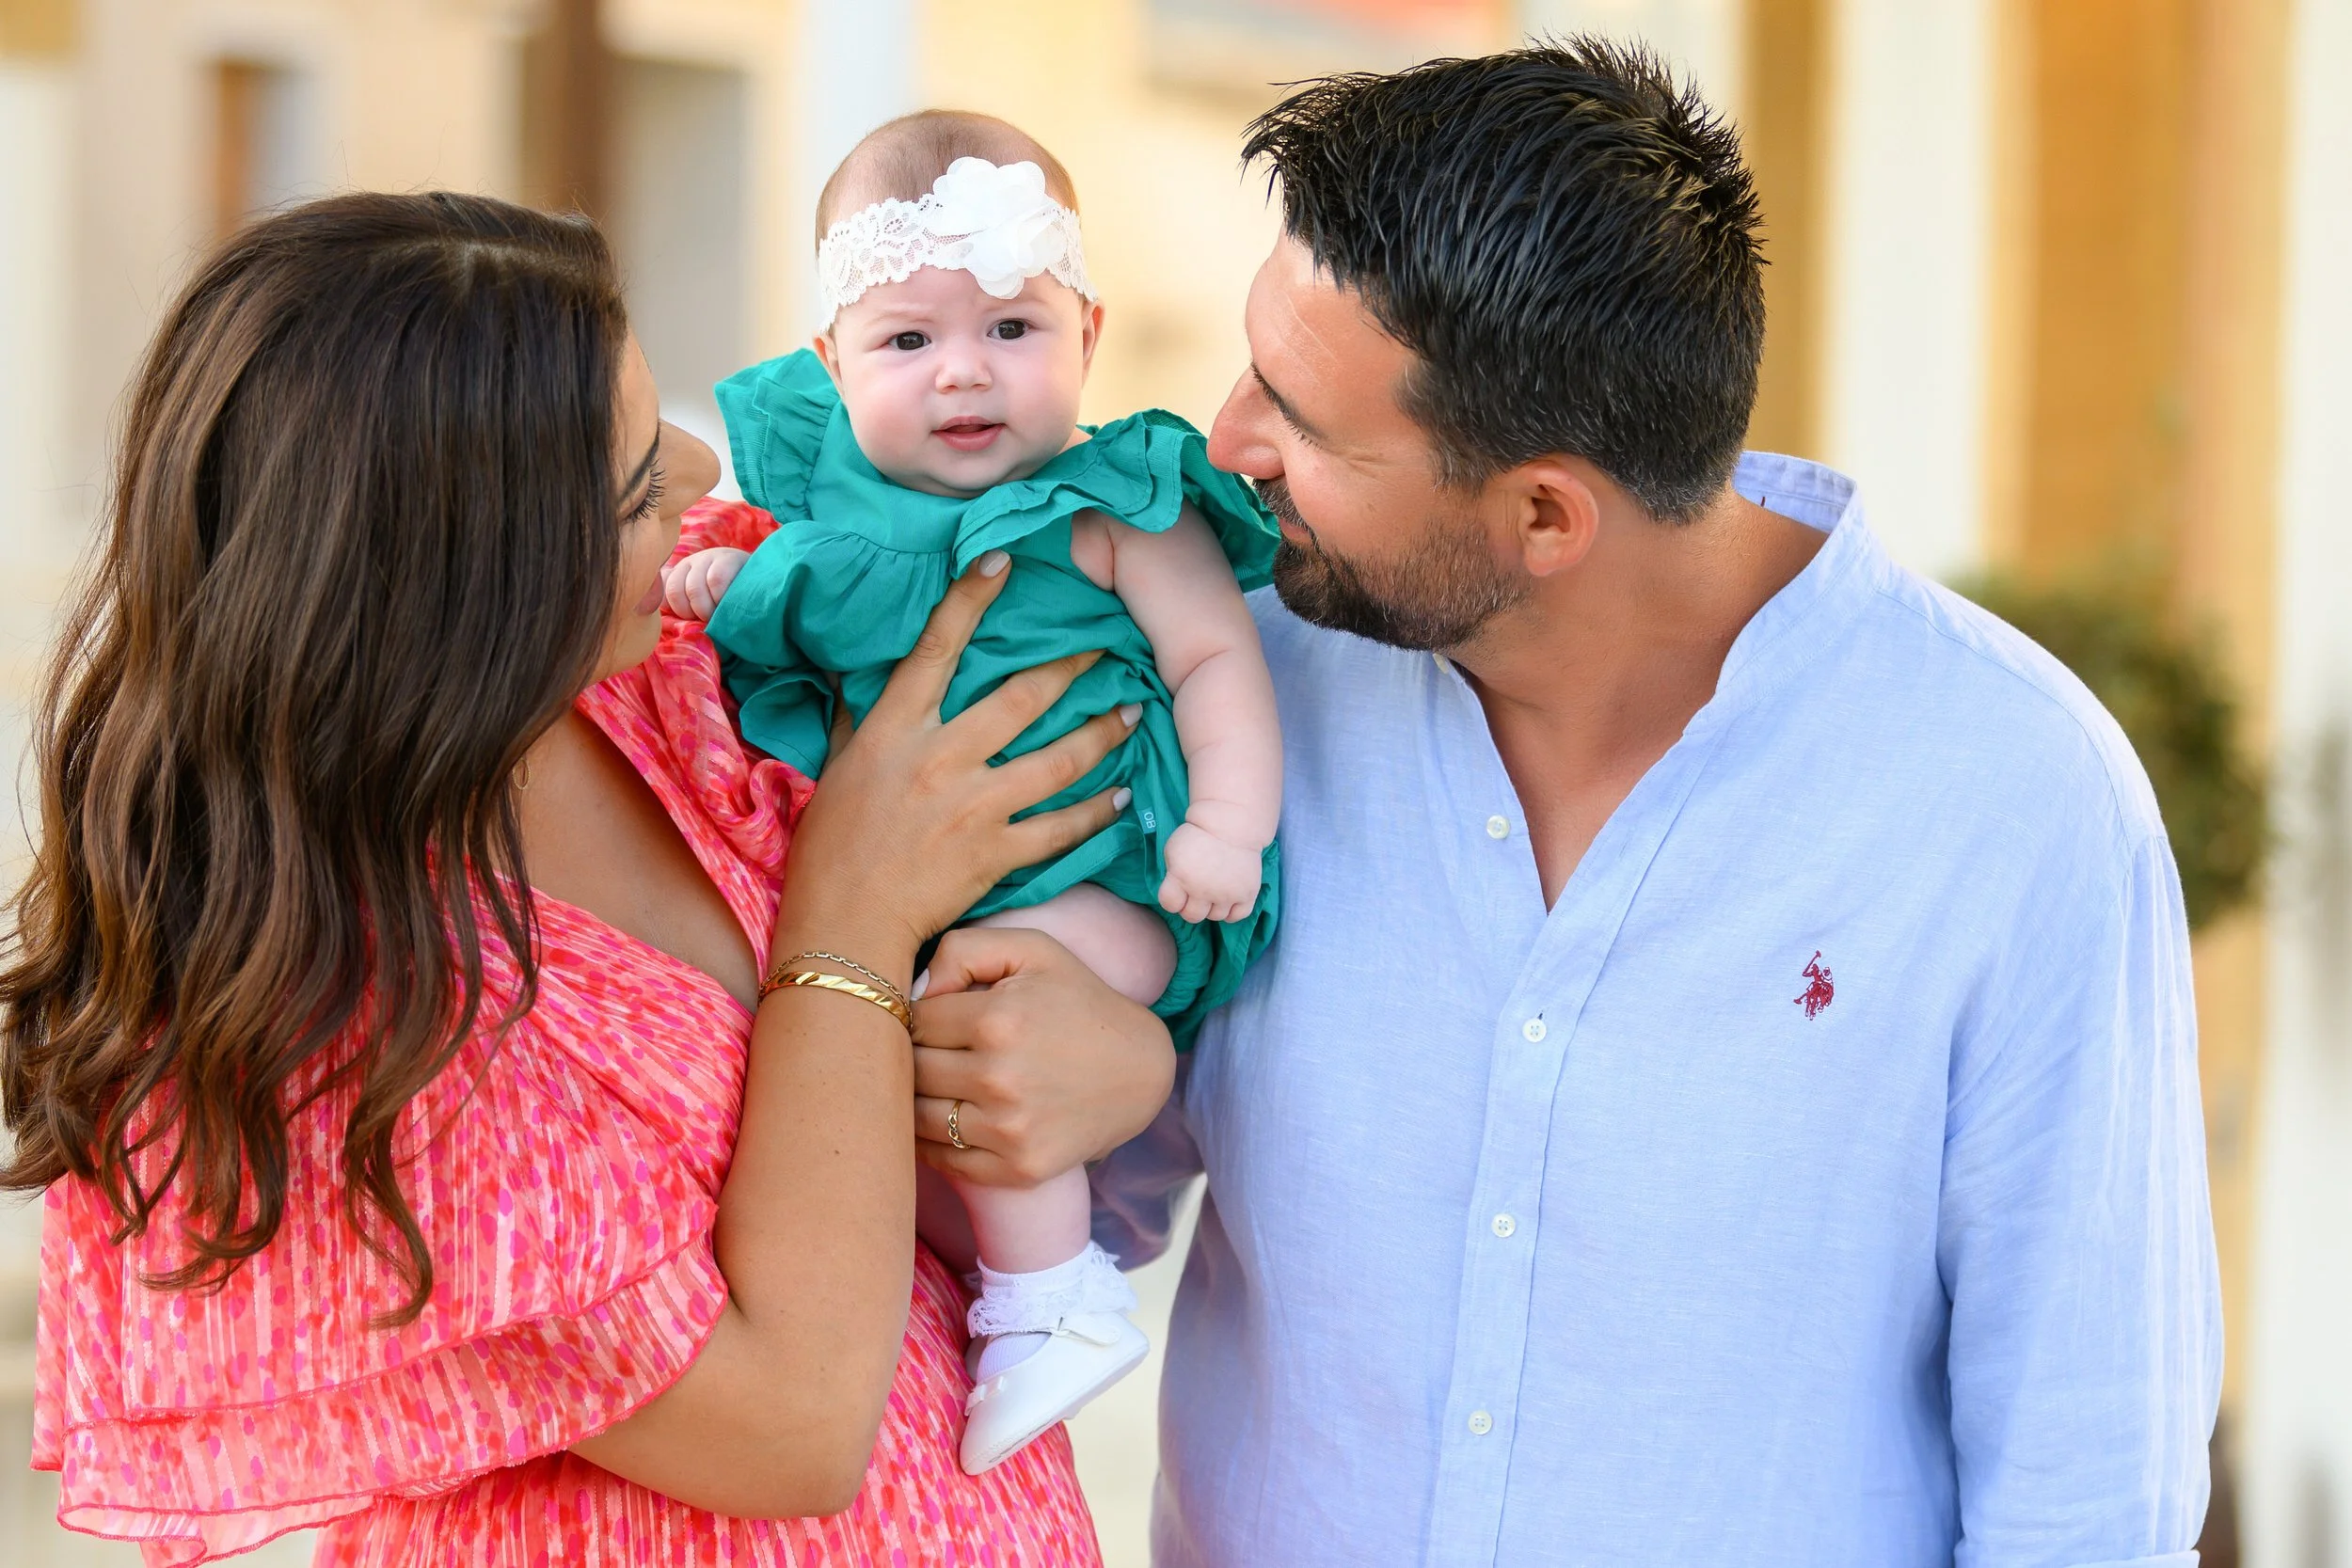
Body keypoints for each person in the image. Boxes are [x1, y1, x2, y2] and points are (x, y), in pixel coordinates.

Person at [1086, 40, 2222, 1567]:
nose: (1227, 443)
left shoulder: (2016, 807)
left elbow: (2087, 1493)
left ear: (1545, 514)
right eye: (1253, 366)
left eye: (1305, 423)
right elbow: (1066, 1201)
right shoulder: (1239, 692)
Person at [0, 190, 1173, 1565]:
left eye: (650, 415)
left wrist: (1123, 1059)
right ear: (464, 587)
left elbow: (940, 1081)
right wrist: (850, 915)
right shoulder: (343, 1011)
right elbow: (792, 1424)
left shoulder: (669, 679)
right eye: (628, 485)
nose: (691, 470)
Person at [665, 111, 1282, 1474]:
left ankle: (1050, 1300)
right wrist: (738, 586)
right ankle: (1001, 1269)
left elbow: (1216, 660)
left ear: (1088, 335)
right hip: (933, 899)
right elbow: (789, 615)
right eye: (907, 342)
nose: (965, 374)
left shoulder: (1117, 503)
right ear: (831, 362)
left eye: (1013, 330)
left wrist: (1225, 825)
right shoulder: (826, 517)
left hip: (1116, 875)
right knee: (897, 1036)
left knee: (973, 1002)